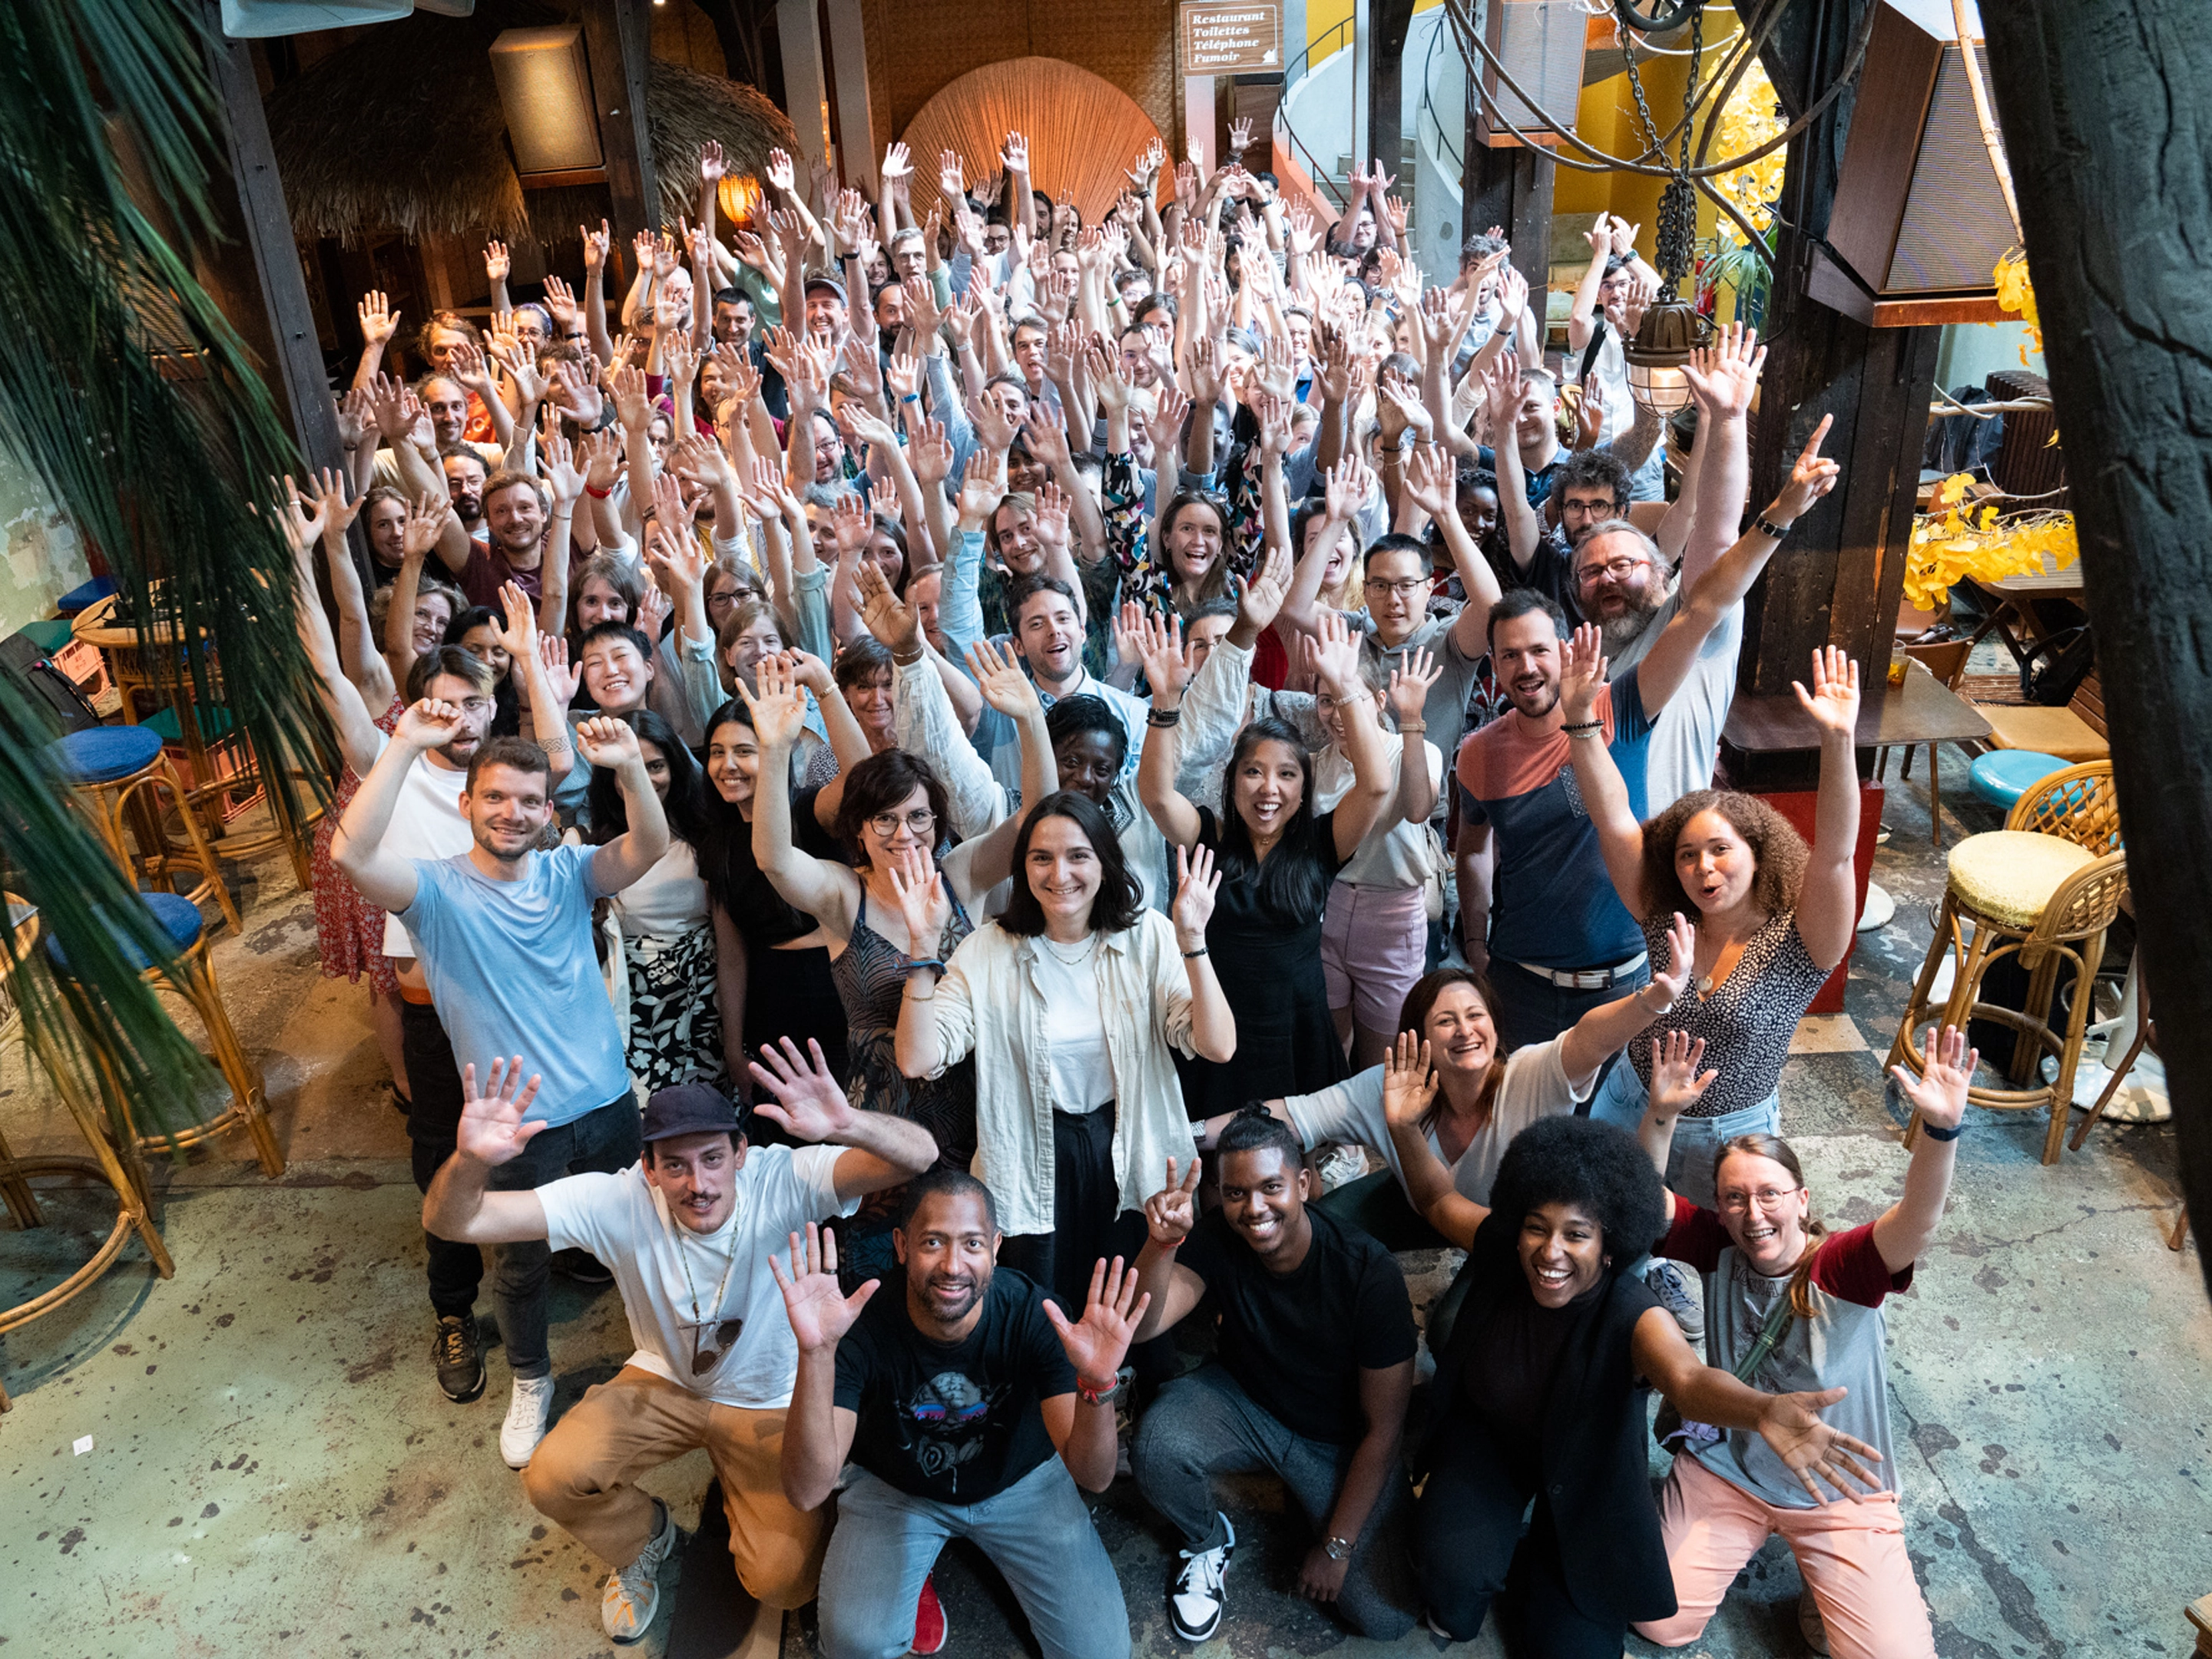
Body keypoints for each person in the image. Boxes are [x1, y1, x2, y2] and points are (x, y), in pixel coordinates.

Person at [422, 1041, 935, 1647]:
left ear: (741, 1153)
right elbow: (453, 1221)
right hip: (665, 1380)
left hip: (769, 1397)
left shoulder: (783, 1178)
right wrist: (470, 1162)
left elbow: (919, 1157)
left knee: (785, 1582)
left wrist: (848, 1124)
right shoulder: (616, 1201)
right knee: (552, 1474)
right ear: (648, 1169)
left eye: (713, 1158)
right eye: (675, 1165)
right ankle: (644, 1538)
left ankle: (753, 1488)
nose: (699, 1183)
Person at [1406, 1114, 1884, 1656]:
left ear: (1610, 1246)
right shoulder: (1502, 1248)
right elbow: (1437, 1201)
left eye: (1577, 1234)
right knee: (1453, 1589)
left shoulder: (1632, 1312)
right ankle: (1490, 1553)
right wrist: (1403, 1126)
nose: (1551, 1252)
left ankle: (1533, 1560)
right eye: (1537, 1227)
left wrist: (1761, 1410)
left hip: (1586, 1477)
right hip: (1488, 1447)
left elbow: (1688, 1379)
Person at [333, 705, 670, 1469]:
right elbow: (352, 852)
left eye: (528, 800)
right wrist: (408, 744)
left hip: (610, 1105)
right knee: (520, 1268)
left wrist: (625, 767)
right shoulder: (433, 893)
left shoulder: (567, 872)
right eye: (495, 797)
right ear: (467, 805)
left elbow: (650, 844)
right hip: (518, 1129)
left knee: (636, 1237)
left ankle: (654, 1353)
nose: (512, 813)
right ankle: (530, 1379)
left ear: (546, 811)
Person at [1624, 1027, 1969, 1659]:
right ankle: (1787, 1555)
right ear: (1721, 1210)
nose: (1753, 1214)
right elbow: (1640, 1204)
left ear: (1801, 1199)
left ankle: (1828, 1578)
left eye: (1769, 1195)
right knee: (1658, 1621)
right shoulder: (1717, 1245)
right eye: (1735, 1199)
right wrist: (1662, 1113)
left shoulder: (1842, 1266)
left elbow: (1917, 1217)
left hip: (1840, 1489)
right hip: (1733, 1470)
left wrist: (1941, 1132)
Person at [743, 644, 1053, 1277]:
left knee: (964, 1264)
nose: (905, 835)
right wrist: (774, 751)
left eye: (918, 818)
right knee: (882, 1272)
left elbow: (1035, 823)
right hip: (883, 1117)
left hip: (972, 1103)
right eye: (885, 820)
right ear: (859, 829)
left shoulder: (958, 876)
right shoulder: (842, 893)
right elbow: (774, 858)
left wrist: (1029, 720)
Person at [892, 795, 1235, 1321]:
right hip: (1030, 1148)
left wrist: (1193, 939)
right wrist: (922, 945)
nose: (1060, 874)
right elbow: (918, 1059)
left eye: (1078, 856)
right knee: (1041, 1307)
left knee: (1127, 1299)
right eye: (1041, 858)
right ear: (1023, 866)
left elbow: (1218, 1045)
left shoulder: (1147, 937)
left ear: (1104, 862)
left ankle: (1128, 1394)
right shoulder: (988, 949)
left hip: (1126, 1144)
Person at [772, 1174, 1141, 1659]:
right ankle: (917, 1567)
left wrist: (1097, 1384)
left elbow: (1093, 1477)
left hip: (1021, 1479)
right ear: (901, 1246)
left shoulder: (1033, 1313)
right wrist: (816, 1354)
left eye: (972, 1243)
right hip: (898, 1488)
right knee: (854, 1644)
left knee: (1101, 1654)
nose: (953, 1265)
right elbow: (806, 1491)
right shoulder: (859, 1322)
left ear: (996, 1248)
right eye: (933, 1242)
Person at [1571, 642, 1865, 1207]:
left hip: (1727, 1134)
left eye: (1720, 850)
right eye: (1686, 854)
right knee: (1606, 1222)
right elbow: (1612, 819)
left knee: (1711, 1254)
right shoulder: (1667, 913)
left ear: (1758, 853)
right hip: (1632, 1097)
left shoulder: (1801, 941)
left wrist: (1838, 739)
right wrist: (1582, 719)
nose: (1702, 867)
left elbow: (1833, 853)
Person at [1228, 914, 1694, 1250]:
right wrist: (1186, 1134)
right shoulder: (1393, 1085)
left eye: (1476, 1016)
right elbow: (1290, 1115)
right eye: (1446, 1021)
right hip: (1418, 1207)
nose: (1465, 1030)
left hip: (1508, 1232)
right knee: (1321, 1232)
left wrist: (1652, 999)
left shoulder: (1530, 1072)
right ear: (1420, 1038)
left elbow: (1590, 1039)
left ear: (1495, 1027)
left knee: (1454, 1326)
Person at [1127, 1113, 1419, 1642]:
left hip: (1337, 1442)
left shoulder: (1367, 1273)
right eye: (1236, 1193)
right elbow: (1146, 1327)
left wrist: (1337, 1547)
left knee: (1387, 1618)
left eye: (1271, 1188)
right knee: (1156, 1445)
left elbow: (1385, 1431)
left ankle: (1312, 1504)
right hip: (1247, 1404)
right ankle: (1207, 1539)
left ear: (1303, 1185)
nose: (1254, 1208)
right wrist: (1161, 1245)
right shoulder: (1219, 1237)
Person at [1453, 581, 1737, 1054]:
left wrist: (1778, 520)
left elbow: (1701, 613)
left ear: (1565, 651)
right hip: (1522, 981)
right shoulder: (1480, 753)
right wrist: (1475, 943)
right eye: (1509, 655)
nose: (1526, 668)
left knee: (1616, 1119)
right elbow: (1472, 850)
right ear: (1495, 665)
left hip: (1628, 979)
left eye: (1539, 650)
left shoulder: (1619, 706)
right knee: (1528, 1121)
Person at [1137, 610, 1392, 1117]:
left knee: (1296, 1166)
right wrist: (1165, 705)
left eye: (1286, 775)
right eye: (1253, 772)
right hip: (1218, 1026)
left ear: (1304, 789)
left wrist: (1344, 687)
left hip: (1298, 1030)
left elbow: (1377, 785)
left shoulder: (1322, 842)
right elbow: (1158, 795)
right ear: (1232, 783)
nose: (1269, 788)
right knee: (1212, 1164)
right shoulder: (1209, 837)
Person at [578, 708, 724, 1092]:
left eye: (655, 765)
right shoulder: (590, 847)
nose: (642, 777)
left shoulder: (705, 836)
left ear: (675, 768)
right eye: (627, 766)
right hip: (631, 1003)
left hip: (706, 1002)